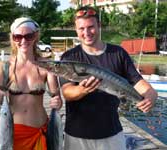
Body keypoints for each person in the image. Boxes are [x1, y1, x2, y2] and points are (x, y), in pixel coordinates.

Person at [60, 6, 158, 150]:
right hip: (76, 136)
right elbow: (67, 93)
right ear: (76, 29)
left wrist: (151, 95)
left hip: (111, 134)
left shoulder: (118, 53)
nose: (86, 32)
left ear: (99, 26)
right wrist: (83, 90)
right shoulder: (69, 58)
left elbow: (138, 82)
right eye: (81, 29)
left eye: (91, 27)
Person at [0, 17, 62, 150]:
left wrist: (57, 102)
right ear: (13, 38)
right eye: (18, 37)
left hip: (40, 131)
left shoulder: (46, 66)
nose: (23, 41)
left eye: (29, 36)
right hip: (13, 134)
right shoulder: (4, 67)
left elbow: (58, 100)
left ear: (36, 36)